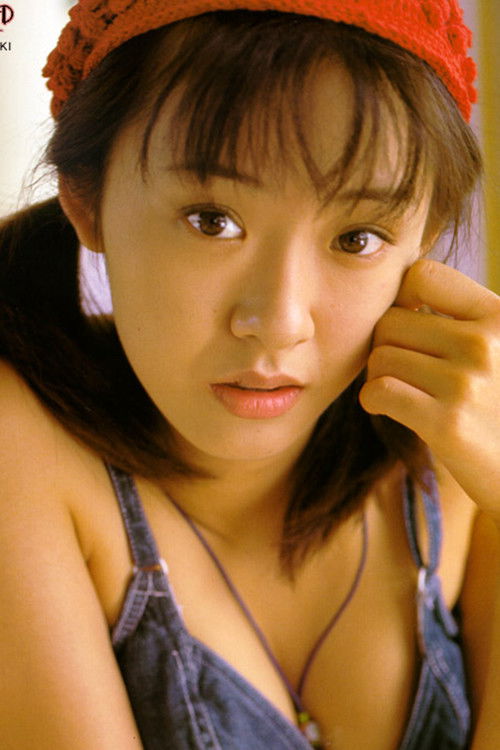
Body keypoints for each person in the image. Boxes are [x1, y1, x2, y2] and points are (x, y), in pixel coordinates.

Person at [0, 0, 499, 748]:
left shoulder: (464, 451)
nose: (279, 321)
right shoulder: (22, 448)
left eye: (357, 238)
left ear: (422, 240)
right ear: (86, 199)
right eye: (212, 221)